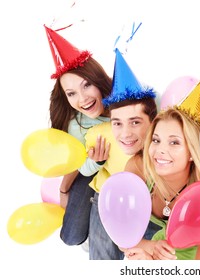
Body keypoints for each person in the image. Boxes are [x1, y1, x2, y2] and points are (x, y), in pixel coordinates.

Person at [122, 81, 200, 260]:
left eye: (174, 142)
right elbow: (122, 234)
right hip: (173, 237)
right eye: (156, 140)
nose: (160, 150)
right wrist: (150, 247)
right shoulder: (138, 168)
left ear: (192, 152)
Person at [85, 47, 157, 260]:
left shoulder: (163, 151)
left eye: (135, 122)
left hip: (151, 203)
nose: (125, 134)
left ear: (153, 122)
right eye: (117, 123)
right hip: (106, 199)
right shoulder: (99, 136)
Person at [45, 25, 111, 248]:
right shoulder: (77, 124)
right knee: (71, 236)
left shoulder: (123, 103)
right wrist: (95, 162)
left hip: (129, 169)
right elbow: (81, 167)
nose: (82, 99)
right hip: (92, 169)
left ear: (98, 79)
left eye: (87, 85)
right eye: (71, 93)